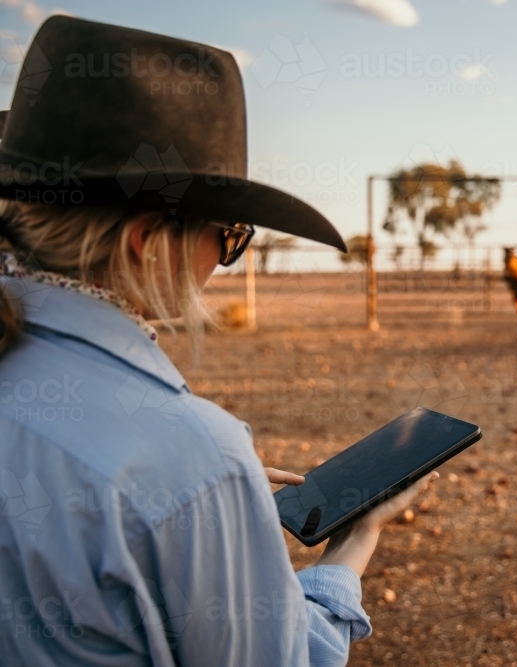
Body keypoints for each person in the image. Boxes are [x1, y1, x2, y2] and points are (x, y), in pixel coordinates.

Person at [0, 16, 436, 666]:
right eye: (230, 236)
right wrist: (351, 545)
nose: (224, 261)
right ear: (148, 243)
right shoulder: (192, 457)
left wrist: (192, 498)